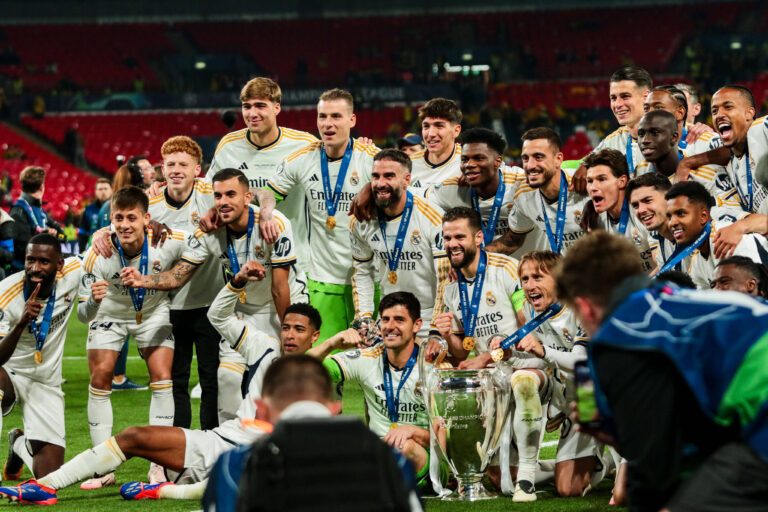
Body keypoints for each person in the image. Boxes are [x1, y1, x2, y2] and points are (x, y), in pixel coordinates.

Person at [0, 265, 357, 504]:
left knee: (223, 485)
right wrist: (237, 282)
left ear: (315, 336)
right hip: (217, 440)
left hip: (256, 459)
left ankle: (163, 490)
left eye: (300, 330)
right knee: (134, 436)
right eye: (287, 327)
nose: (290, 335)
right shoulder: (263, 345)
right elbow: (218, 315)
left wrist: (335, 346)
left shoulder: (325, 375)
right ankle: (43, 487)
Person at [556, 231, 768, 512]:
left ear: (584, 307)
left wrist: (614, 430)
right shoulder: (678, 302)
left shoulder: (620, 335)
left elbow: (654, 472)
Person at [124, 168, 306, 423]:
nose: (223, 201)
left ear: (246, 197)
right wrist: (144, 280)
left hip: (282, 308)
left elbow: (279, 288)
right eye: (218, 196)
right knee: (227, 378)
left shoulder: (273, 223)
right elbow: (178, 275)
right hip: (243, 311)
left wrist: (288, 332)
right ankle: (230, 447)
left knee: (278, 380)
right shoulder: (209, 233)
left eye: (231, 194)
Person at [76, 186, 202, 488]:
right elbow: (83, 315)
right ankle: (102, 468)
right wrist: (93, 301)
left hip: (154, 313)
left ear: (147, 218)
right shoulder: (96, 256)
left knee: (161, 376)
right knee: (100, 377)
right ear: (110, 220)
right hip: (109, 315)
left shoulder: (167, 241)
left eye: (132, 218)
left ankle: (157, 466)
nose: (125, 225)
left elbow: (200, 244)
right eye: (118, 218)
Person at [256, 88, 379, 342]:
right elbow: (269, 191)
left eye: (336, 116)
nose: (328, 124)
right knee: (324, 359)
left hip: (371, 277)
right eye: (322, 116)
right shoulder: (303, 159)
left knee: (373, 359)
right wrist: (267, 212)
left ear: (352, 120)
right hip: (324, 278)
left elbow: (400, 186)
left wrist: (371, 186)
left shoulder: (372, 159)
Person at [488, 251, 605, 501]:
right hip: (566, 401)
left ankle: (600, 458)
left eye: (538, 277)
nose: (530, 286)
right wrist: (509, 355)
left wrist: (542, 349)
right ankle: (527, 477)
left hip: (593, 401)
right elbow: (539, 361)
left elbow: (581, 361)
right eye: (525, 279)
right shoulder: (534, 315)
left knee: (571, 490)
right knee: (524, 378)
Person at [324, 291, 444, 492]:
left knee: (404, 447)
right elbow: (305, 370)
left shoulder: (433, 366)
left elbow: (447, 437)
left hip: (423, 458)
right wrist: (331, 343)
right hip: (379, 450)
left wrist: (412, 431)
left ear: (416, 325)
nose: (390, 326)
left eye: (399, 319)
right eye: (385, 320)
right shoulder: (368, 358)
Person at [147, 136, 222, 431]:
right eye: (170, 164)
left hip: (210, 303)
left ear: (197, 169)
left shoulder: (210, 193)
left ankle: (210, 440)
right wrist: (103, 234)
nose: (176, 170)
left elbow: (246, 195)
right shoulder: (150, 204)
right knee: (174, 380)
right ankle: (179, 445)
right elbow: (117, 224)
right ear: (162, 170)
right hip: (168, 306)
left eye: (183, 164)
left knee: (211, 378)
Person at [205, 77, 318, 266]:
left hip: (295, 257)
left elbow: (338, 162)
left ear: (277, 107)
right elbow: (207, 190)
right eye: (246, 106)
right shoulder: (228, 145)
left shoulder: (305, 144)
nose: (252, 113)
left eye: (260, 106)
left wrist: (362, 146)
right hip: (242, 259)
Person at [0, 235, 81, 482]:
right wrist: (20, 323)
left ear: (59, 264)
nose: (35, 268)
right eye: (30, 260)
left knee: (49, 478)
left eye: (44, 261)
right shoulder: (5, 293)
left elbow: (106, 243)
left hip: (46, 381)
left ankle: (18, 445)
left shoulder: (74, 272)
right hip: (9, 373)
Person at [350, 149, 449, 336]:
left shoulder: (433, 218)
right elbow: (362, 272)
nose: (380, 183)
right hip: (387, 318)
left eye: (389, 176)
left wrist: (436, 329)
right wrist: (364, 318)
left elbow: (445, 279)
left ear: (406, 180)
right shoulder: (361, 219)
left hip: (427, 317)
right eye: (375, 176)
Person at [433, 207, 523, 366]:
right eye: (447, 238)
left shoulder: (507, 269)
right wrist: (447, 335)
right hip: (487, 375)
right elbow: (462, 352)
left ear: (478, 238)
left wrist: (487, 357)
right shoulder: (449, 287)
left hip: (522, 367)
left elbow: (528, 327)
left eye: (460, 237)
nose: (452, 244)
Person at [487, 128, 589, 255]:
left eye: (538, 157)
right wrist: (476, 257)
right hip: (568, 271)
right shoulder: (523, 195)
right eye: (525, 158)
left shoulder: (586, 183)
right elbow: (512, 240)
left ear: (558, 159)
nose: (530, 165)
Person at [679, 85, 767, 214]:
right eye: (714, 111)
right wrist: (687, 163)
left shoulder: (762, 128)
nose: (719, 115)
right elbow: (727, 153)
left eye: (728, 107)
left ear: (749, 113)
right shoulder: (733, 164)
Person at [664, 181, 768, 289]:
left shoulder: (729, 239)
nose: (672, 223)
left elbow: (755, 292)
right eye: (669, 217)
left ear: (703, 216)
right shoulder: (697, 262)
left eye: (680, 214)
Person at [633, 110, 736, 202]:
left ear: (674, 138)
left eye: (654, 133)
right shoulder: (641, 170)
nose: (645, 140)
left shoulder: (704, 174)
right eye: (641, 134)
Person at [581, 149, 655, 271]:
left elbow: (664, 261)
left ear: (622, 181)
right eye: (590, 181)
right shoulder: (596, 221)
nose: (593, 187)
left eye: (602, 179)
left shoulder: (642, 212)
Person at [9, 166, 63, 273]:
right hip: (23, 272)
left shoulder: (41, 211)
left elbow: (62, 235)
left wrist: (55, 236)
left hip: (39, 269)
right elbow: (22, 248)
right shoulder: (19, 211)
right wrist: (47, 239)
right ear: (42, 187)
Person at [643, 85, 721, 156]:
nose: (649, 113)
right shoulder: (643, 145)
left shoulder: (707, 141)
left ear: (680, 112)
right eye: (646, 108)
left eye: (658, 107)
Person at [408, 98, 463, 191]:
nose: (431, 134)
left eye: (439, 126)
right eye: (426, 126)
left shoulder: (468, 164)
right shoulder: (409, 165)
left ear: (456, 131)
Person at [78, 179, 112, 253]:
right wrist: (82, 250)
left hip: (113, 249)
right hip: (95, 250)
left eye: (106, 189)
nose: (103, 192)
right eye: (100, 189)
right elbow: (83, 232)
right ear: (96, 192)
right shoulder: (88, 209)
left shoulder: (117, 208)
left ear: (111, 190)